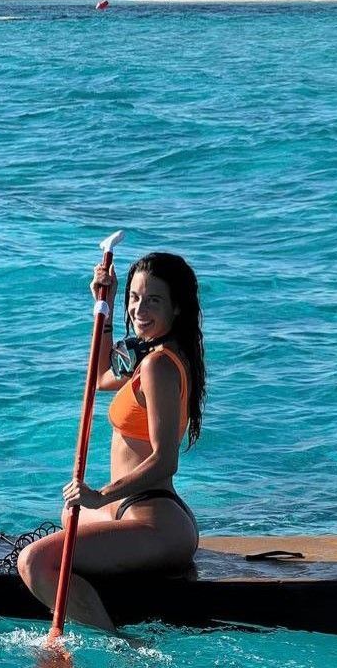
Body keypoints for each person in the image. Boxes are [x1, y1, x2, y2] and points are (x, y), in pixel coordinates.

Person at [17, 252, 206, 631]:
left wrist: (101, 494)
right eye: (134, 298)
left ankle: (124, 648)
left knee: (34, 562)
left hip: (156, 523)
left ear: (178, 307)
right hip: (136, 511)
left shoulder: (158, 366)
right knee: (69, 515)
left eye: (153, 300)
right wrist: (103, 301)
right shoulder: (148, 354)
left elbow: (165, 460)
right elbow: (101, 376)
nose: (139, 309)